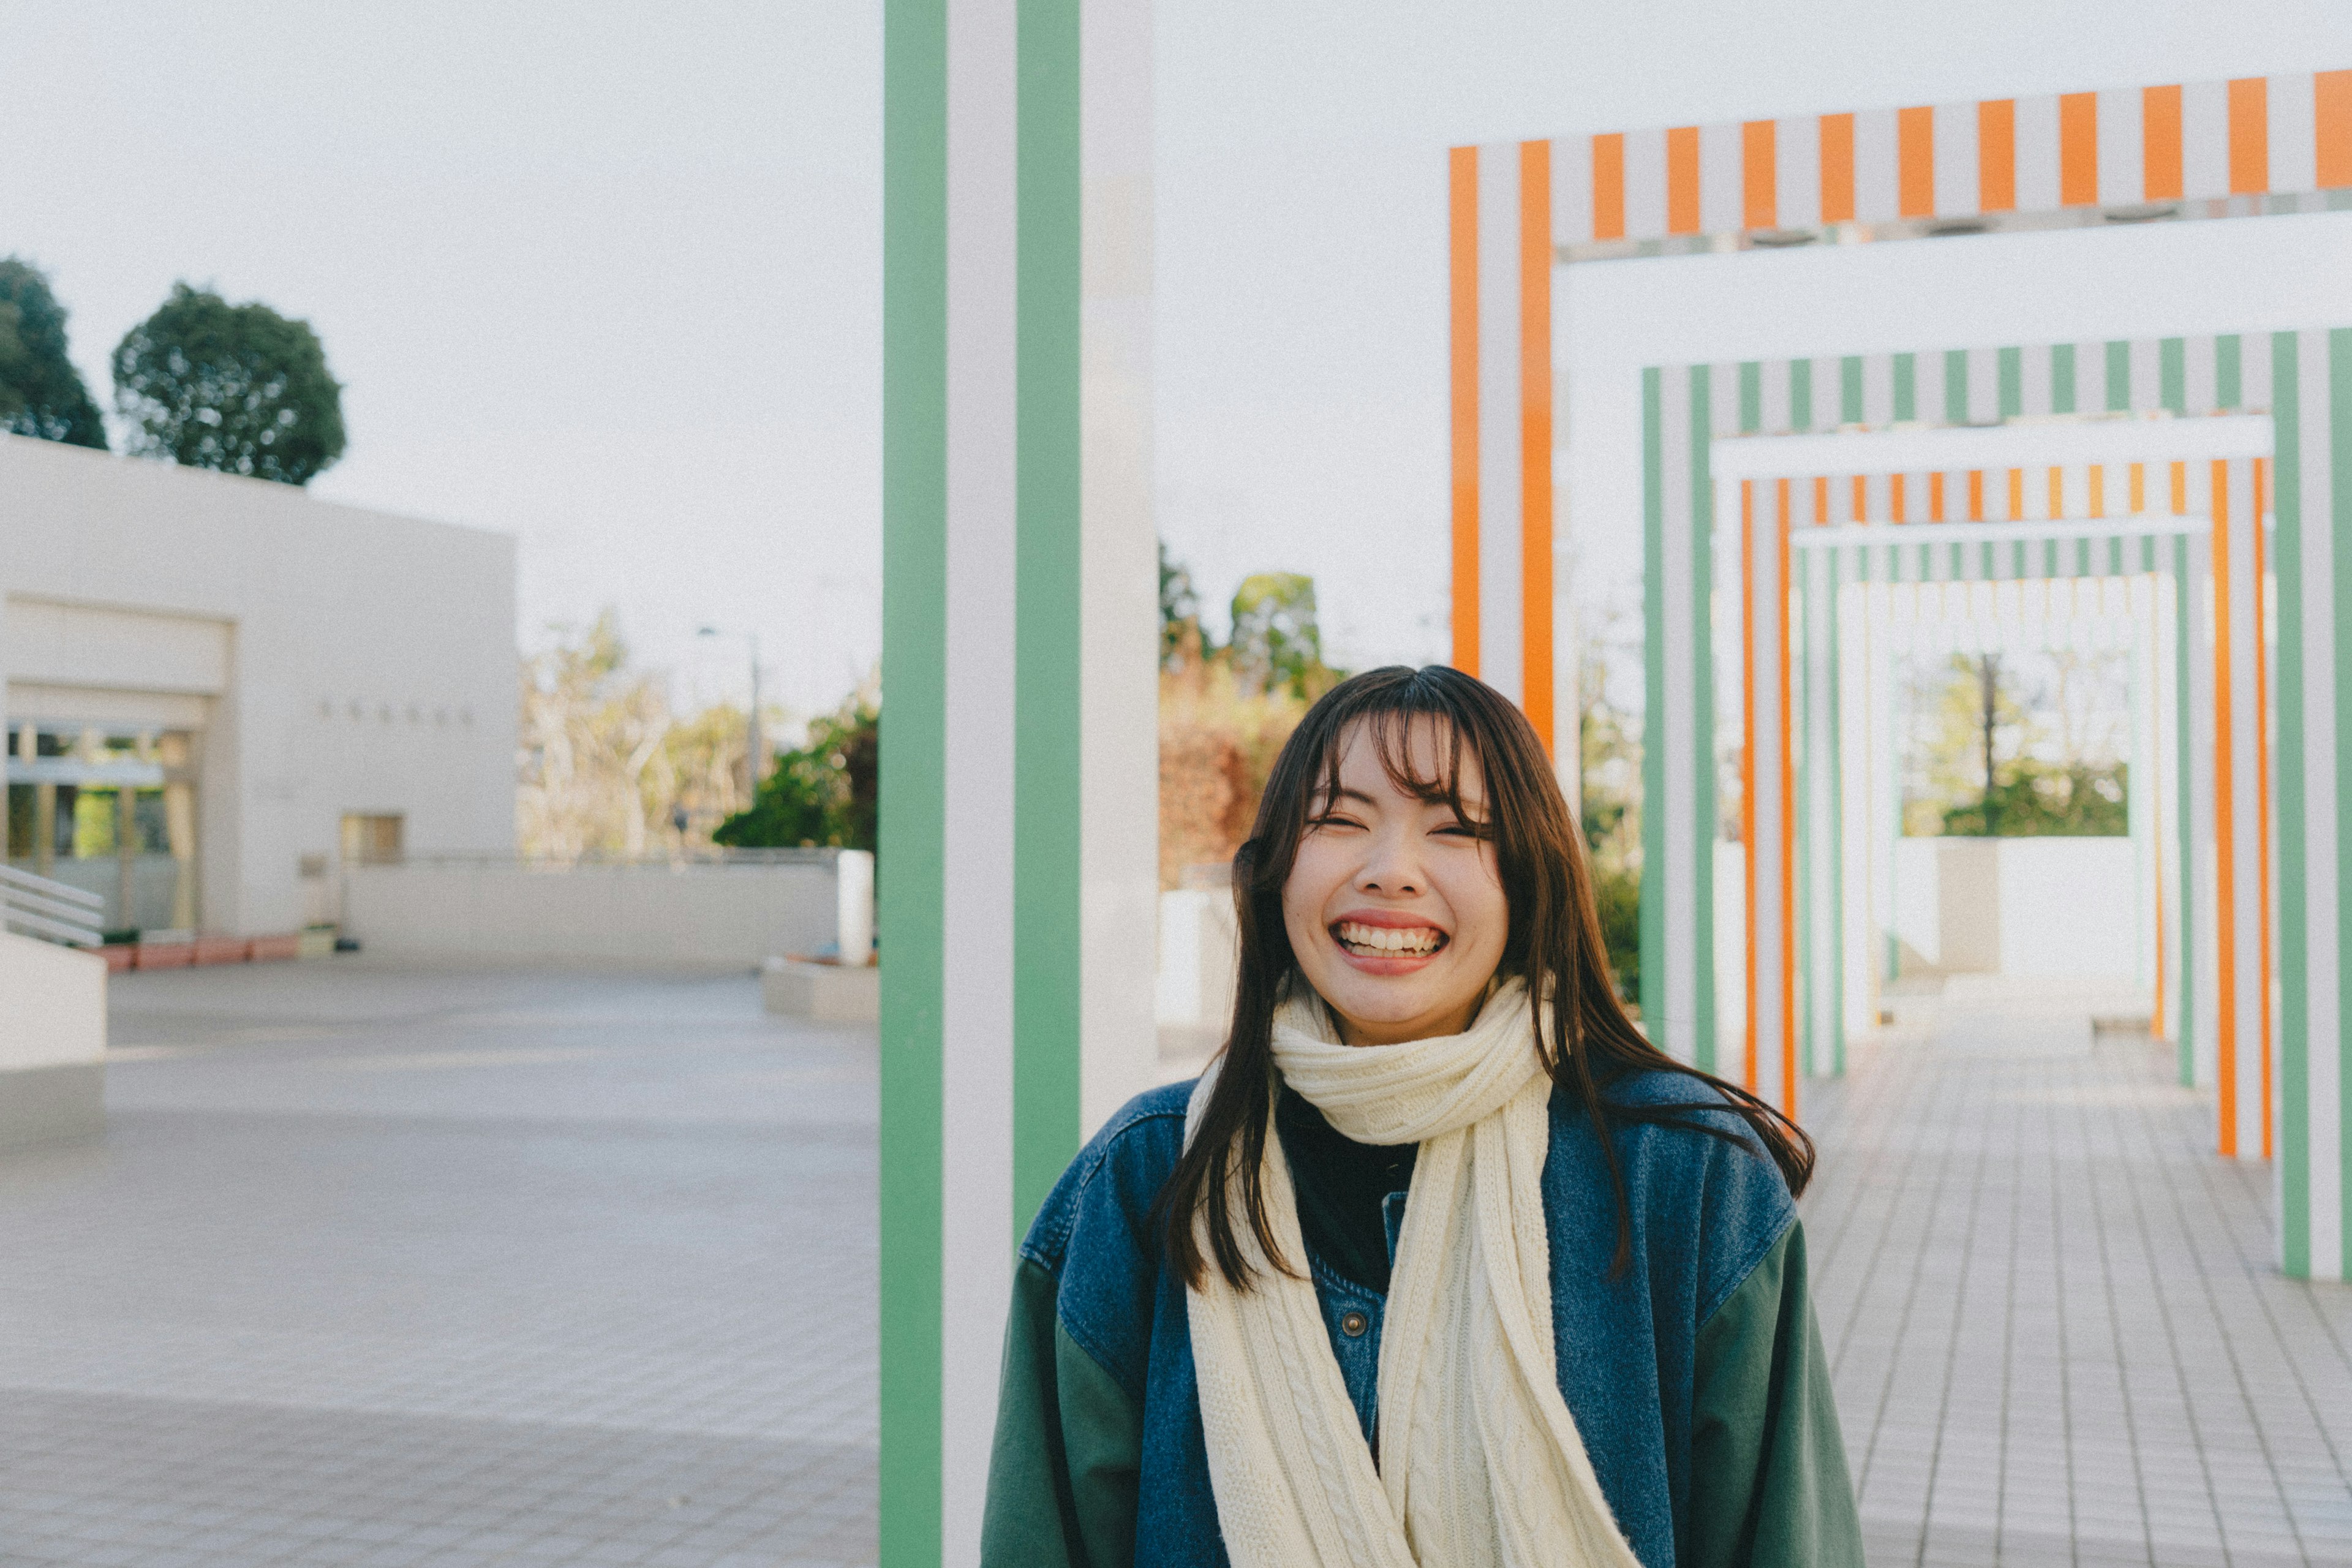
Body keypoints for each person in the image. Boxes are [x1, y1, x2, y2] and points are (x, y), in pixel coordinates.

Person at [981, 665, 1861, 1567]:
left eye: (1457, 830)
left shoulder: (1687, 1175)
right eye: (1340, 820)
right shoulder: (1143, 1179)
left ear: (1532, 880)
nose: (1390, 871)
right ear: (1275, 869)